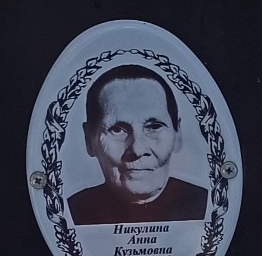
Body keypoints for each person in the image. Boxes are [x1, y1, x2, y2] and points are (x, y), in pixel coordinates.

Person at [67, 66, 208, 224]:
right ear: (89, 140)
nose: (137, 149)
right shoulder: (67, 213)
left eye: (154, 127)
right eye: (117, 130)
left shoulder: (209, 206)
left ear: (177, 134)